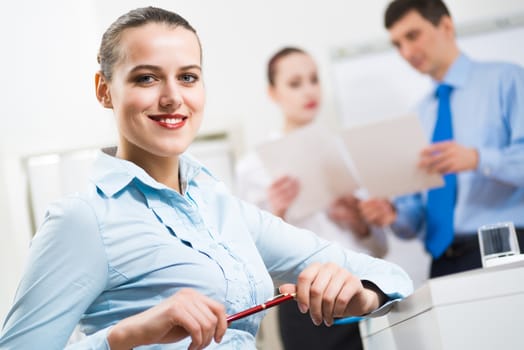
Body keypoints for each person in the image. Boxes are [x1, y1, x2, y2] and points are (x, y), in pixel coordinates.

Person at [0, 6, 412, 350]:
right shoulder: (82, 220)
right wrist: (125, 335)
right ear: (104, 90)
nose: (172, 96)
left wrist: (361, 294)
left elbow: (393, 278)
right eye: (146, 77)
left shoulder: (223, 209)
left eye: (187, 77)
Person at [235, 47, 387, 350]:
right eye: (295, 83)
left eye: (314, 79)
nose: (309, 90)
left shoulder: (345, 151)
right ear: (273, 92)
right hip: (303, 302)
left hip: (361, 291)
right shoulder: (253, 167)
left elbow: (379, 246)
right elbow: (248, 261)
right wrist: (277, 214)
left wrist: (359, 221)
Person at [359, 0, 524, 278]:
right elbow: (416, 215)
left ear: (446, 26)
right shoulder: (417, 117)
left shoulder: (507, 80)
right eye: (397, 44)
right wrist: (393, 215)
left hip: (507, 249)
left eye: (412, 36)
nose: (407, 52)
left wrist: (476, 158)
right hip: (443, 261)